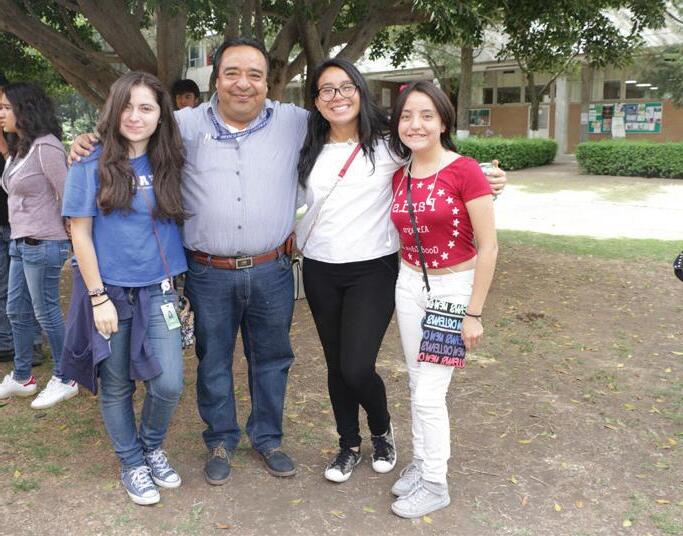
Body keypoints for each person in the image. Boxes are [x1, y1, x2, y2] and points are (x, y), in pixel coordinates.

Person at [69, 37, 507, 486]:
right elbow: (135, 127)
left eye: (255, 75)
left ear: (268, 83)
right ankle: (222, 440)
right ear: (216, 79)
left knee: (276, 360)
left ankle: (270, 439)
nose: (244, 83)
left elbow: (427, 151)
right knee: (215, 361)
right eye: (232, 73)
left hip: (282, 269)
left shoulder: (305, 124)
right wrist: (91, 140)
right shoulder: (184, 124)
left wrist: (480, 175)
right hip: (214, 270)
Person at [62, 71, 187, 506]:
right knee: (116, 386)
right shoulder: (89, 162)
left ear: (160, 116)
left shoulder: (171, 159)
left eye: (146, 108)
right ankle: (132, 461)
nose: (135, 116)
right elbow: (80, 233)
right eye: (127, 107)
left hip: (160, 291)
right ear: (114, 111)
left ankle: (151, 447)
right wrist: (98, 298)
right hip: (109, 293)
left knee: (169, 383)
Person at [388, 81, 498, 518]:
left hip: (452, 292)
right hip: (408, 285)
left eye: (426, 115)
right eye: (406, 116)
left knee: (429, 393)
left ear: (444, 122)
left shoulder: (466, 170)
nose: (415, 124)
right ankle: (421, 462)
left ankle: (435, 483)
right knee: (417, 383)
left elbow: (488, 246)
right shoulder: (399, 174)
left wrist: (474, 312)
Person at [296, 58, 400, 483]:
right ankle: (348, 445)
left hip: (373, 269)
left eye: (345, 87)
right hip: (320, 268)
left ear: (360, 90)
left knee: (357, 365)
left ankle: (382, 429)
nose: (337, 96)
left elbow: (441, 167)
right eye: (326, 90)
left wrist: (488, 182)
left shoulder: (390, 144)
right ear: (316, 101)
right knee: (336, 365)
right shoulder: (308, 147)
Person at [0, 82, 77, 409]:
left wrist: (71, 233)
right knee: (16, 310)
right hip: (20, 242)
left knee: (46, 312)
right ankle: (22, 377)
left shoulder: (47, 146)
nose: (1, 113)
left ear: (25, 109)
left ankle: (66, 376)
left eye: (6, 107)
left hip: (43, 243)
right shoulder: (22, 148)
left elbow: (69, 194)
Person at [0, 76, 43, 366]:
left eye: (5, 105)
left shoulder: (31, 140)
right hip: (9, 222)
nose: (1, 111)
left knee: (28, 291)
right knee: (6, 289)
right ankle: (10, 342)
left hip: (22, 226)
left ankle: (32, 343)